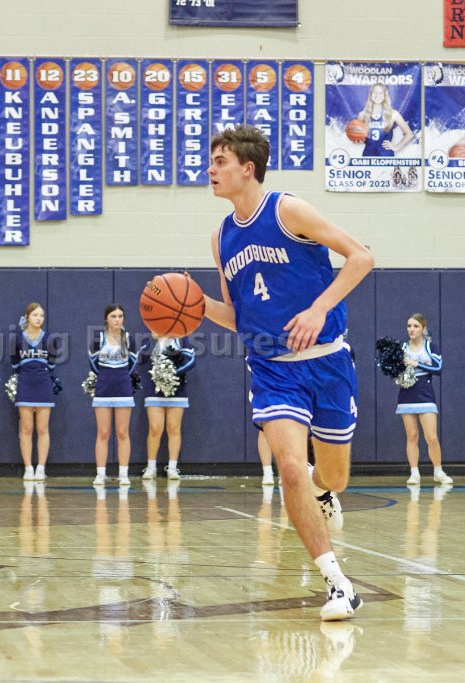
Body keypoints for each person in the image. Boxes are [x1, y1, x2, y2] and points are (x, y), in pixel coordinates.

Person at [204, 124, 374, 621]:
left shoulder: (287, 210)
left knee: (333, 476)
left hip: (327, 360)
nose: (211, 170)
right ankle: (337, 583)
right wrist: (195, 306)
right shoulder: (221, 238)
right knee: (292, 467)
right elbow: (239, 316)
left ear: (247, 168)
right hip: (272, 368)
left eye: (220, 162)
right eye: (211, 162)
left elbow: (361, 257)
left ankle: (325, 492)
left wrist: (319, 308)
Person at [398, 314, 453, 486]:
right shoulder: (402, 348)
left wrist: (417, 364)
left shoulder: (430, 347)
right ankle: (414, 473)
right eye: (409, 326)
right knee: (412, 435)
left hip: (425, 394)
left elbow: (438, 368)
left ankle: (438, 471)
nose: (411, 329)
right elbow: (393, 368)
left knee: (432, 436)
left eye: (415, 326)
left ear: (423, 328)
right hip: (406, 394)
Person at [10, 303, 60, 482]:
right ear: (27, 317)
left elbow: (52, 365)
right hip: (25, 383)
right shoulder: (17, 339)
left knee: (43, 428)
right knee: (26, 428)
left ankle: (41, 468)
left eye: (41, 315)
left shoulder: (50, 339)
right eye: (35, 315)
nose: (39, 319)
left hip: (43, 384)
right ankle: (28, 468)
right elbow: (14, 364)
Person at [89, 304, 138, 487]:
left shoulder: (129, 339)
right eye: (113, 316)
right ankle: (100, 474)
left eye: (120, 316)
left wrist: (120, 377)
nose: (117, 320)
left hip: (123, 389)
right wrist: (107, 377)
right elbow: (93, 364)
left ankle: (123, 474)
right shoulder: (98, 339)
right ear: (106, 319)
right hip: (103, 389)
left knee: (122, 433)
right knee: (103, 432)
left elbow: (132, 364)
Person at [140, 334, 195, 481]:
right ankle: (151, 467)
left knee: (174, 428)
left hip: (177, 388)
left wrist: (173, 373)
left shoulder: (182, 338)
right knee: (155, 429)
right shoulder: (150, 338)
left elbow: (191, 361)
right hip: (154, 388)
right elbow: (142, 359)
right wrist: (153, 338)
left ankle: (172, 467)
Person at [358, 83, 413, 157]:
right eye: (375, 92)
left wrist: (396, 147)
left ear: (385, 95)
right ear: (370, 94)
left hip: (386, 156)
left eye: (380, 93)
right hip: (368, 155)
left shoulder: (393, 113)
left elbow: (409, 134)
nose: (377, 95)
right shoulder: (362, 114)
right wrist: (358, 139)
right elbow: (359, 136)